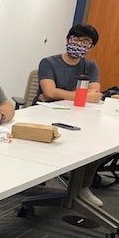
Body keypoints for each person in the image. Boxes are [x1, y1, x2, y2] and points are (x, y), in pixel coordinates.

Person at [37, 23, 104, 206]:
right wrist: (82, 95)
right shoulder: (48, 62)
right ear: (68, 39)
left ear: (91, 47)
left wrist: (59, 93)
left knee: (97, 142)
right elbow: (49, 93)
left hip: (77, 116)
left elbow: (96, 96)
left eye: (85, 41)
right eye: (75, 39)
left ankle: (82, 187)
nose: (79, 44)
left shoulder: (90, 66)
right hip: (45, 115)